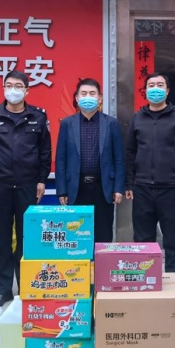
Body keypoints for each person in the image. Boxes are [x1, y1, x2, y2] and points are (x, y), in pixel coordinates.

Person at [0, 70, 52, 306]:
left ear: (27, 90)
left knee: (26, 239)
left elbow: (45, 152)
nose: (13, 90)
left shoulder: (38, 117)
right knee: (2, 239)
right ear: (3, 89)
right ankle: (3, 290)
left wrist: (42, 180)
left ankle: (26, 286)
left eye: (18, 86)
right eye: (9, 85)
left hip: (28, 186)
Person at [125, 72, 175, 278]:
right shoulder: (137, 117)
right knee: (143, 238)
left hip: (171, 188)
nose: (155, 89)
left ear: (167, 90)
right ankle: (146, 278)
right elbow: (130, 152)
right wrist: (129, 183)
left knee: (172, 238)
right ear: (145, 90)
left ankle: (173, 278)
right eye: (151, 85)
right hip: (142, 188)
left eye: (160, 85)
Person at [55, 78, 125, 242]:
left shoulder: (111, 123)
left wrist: (118, 188)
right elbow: (61, 159)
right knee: (76, 236)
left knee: (103, 235)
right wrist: (62, 190)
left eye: (92, 94)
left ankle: (101, 260)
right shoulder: (67, 124)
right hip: (76, 188)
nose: (88, 97)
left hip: (103, 188)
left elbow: (119, 159)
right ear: (77, 98)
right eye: (84, 93)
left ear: (99, 98)